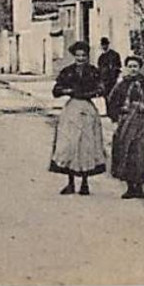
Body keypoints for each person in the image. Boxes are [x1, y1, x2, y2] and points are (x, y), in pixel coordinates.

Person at [49, 41, 107, 194]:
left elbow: (102, 88)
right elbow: (56, 91)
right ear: (74, 56)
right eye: (78, 55)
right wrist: (69, 90)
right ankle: (70, 182)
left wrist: (89, 93)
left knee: (87, 145)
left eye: (84, 56)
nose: (81, 58)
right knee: (69, 144)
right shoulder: (67, 72)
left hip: (87, 109)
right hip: (72, 109)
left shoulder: (93, 71)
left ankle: (85, 183)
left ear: (88, 56)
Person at [107, 55, 144, 199]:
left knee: (140, 153)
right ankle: (129, 187)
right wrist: (114, 121)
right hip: (125, 123)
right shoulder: (121, 85)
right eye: (130, 66)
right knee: (126, 152)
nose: (133, 69)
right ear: (126, 68)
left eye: (135, 66)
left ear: (140, 68)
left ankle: (139, 187)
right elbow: (112, 103)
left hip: (142, 122)